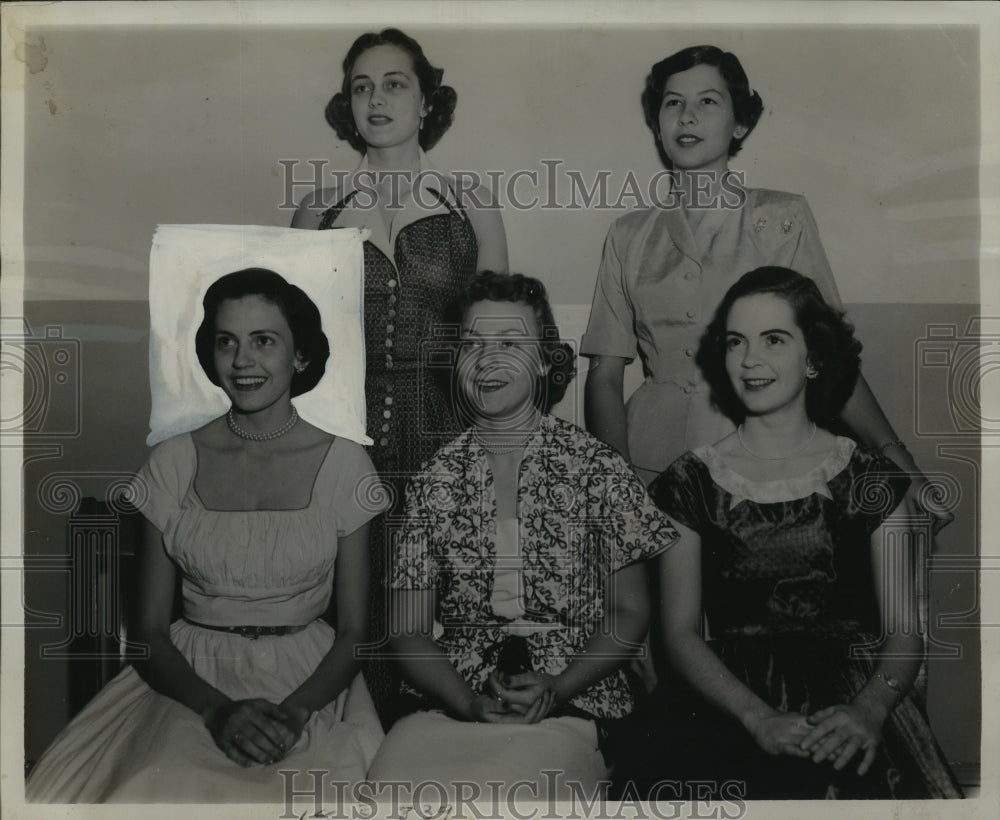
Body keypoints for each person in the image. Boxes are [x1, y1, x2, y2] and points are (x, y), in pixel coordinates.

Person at [26, 269, 386, 802]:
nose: (243, 361)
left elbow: (357, 630)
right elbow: (147, 630)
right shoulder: (173, 461)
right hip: (187, 683)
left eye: (264, 341)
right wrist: (217, 711)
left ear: (301, 356)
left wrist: (295, 713)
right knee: (160, 788)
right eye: (227, 342)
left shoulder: (345, 463)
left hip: (310, 682)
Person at [611, 267, 961, 799]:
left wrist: (869, 710)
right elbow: (679, 633)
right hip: (728, 701)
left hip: (853, 697)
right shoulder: (690, 480)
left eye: (774, 339)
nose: (750, 359)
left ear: (814, 357)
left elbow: (904, 630)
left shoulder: (868, 478)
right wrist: (757, 719)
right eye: (736, 341)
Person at [581, 45, 946, 533]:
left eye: (708, 101)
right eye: (673, 103)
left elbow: (829, 357)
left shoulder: (782, 218)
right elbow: (604, 376)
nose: (687, 116)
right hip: (651, 466)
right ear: (657, 122)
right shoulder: (628, 234)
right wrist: (618, 484)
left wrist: (899, 460)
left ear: (740, 124)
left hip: (766, 458)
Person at [365, 272, 678, 802]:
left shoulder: (596, 467)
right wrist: (466, 702)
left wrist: (558, 687)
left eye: (510, 343)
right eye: (473, 344)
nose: (490, 360)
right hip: (453, 700)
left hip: (576, 694)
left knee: (506, 790)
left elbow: (629, 615)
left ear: (542, 360)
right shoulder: (434, 479)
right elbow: (409, 630)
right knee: (389, 790)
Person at [290, 28, 508, 717]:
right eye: (361, 85)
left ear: (426, 103)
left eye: (395, 83)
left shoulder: (469, 203)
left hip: (448, 440)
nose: (376, 98)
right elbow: (294, 355)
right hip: (340, 447)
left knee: (442, 625)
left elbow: (500, 342)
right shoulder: (315, 211)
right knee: (348, 625)